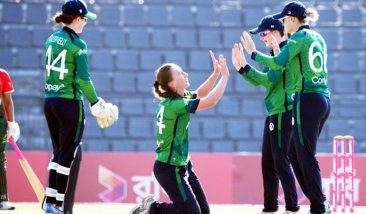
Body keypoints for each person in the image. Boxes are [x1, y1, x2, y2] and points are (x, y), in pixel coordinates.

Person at [240, 1, 331, 214]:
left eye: (284, 20)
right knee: (294, 152)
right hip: (323, 98)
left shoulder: (298, 38)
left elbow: (277, 63)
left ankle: (319, 205)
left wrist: (252, 54)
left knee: (304, 155)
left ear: (291, 20)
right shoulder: (318, 37)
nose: (283, 24)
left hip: (306, 98)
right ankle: (319, 201)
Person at [130, 51, 230, 214]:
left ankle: (153, 208)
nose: (185, 74)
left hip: (182, 164)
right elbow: (211, 100)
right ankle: (153, 208)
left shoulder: (175, 99)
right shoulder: (175, 105)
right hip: (170, 168)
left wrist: (216, 74)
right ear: (172, 84)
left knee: (204, 211)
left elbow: (201, 94)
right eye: (180, 73)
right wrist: (225, 76)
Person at [43, 1, 118, 213]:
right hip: (69, 103)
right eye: (84, 18)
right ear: (76, 18)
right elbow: (84, 80)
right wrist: (96, 103)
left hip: (50, 101)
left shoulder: (51, 39)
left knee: (57, 153)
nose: (86, 22)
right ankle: (58, 205)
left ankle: (49, 203)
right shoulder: (79, 45)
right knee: (67, 156)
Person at [232, 16, 299, 214]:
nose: (261, 37)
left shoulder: (286, 50)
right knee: (268, 163)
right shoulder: (273, 53)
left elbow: (268, 80)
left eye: (263, 33)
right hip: (274, 112)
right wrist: (242, 69)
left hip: (283, 111)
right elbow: (261, 81)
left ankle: (292, 208)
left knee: (280, 160)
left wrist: (246, 64)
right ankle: (270, 208)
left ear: (275, 31)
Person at [0, 68, 20, 210]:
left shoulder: (2, 74)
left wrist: (11, 123)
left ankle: (3, 199)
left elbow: (7, 100)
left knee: (0, 158)